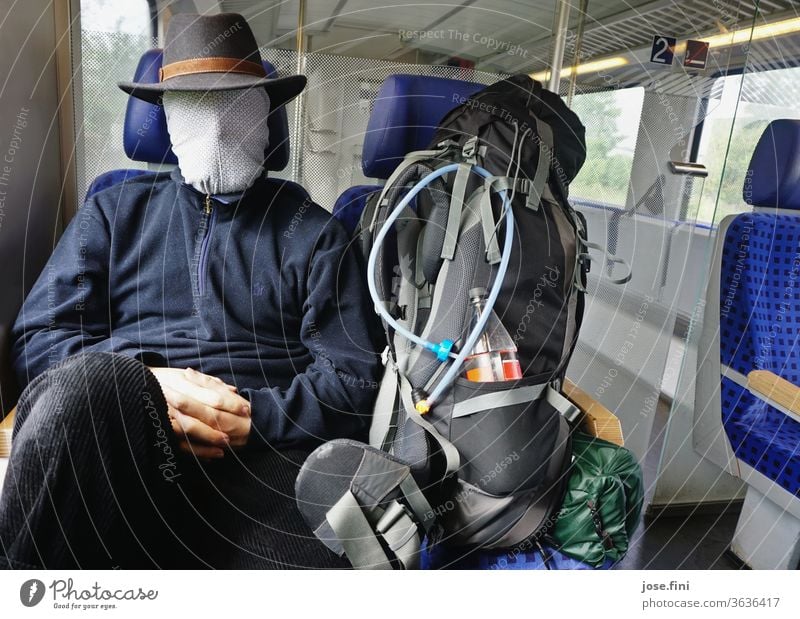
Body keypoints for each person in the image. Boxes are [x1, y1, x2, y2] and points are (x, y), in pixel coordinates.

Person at [0, 13, 381, 569]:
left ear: (267, 116)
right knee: (83, 388)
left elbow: (353, 377)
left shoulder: (314, 232)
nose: (220, 127)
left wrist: (252, 417)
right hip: (121, 436)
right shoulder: (112, 211)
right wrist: (143, 382)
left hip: (265, 456)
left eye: (239, 105)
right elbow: (40, 338)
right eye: (196, 106)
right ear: (168, 122)